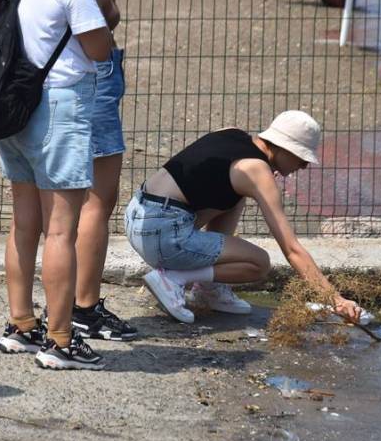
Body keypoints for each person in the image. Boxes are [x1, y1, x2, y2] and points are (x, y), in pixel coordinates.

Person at [0, 0, 113, 370]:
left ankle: (22, 325)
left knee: (24, 223)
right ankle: (60, 340)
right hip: (59, 106)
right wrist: (105, 11)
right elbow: (99, 47)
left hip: (15, 104)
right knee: (60, 230)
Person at [124, 111, 363, 325]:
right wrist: (334, 299)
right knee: (258, 263)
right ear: (285, 148)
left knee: (235, 195)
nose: (303, 167)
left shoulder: (230, 134)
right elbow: (292, 249)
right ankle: (174, 279)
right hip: (164, 235)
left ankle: (209, 289)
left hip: (137, 217)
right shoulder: (257, 171)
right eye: (302, 159)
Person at [64, 0, 168, 341]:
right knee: (96, 203)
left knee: (71, 205)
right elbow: (103, 24)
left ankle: (70, 304)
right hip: (93, 83)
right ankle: (83, 307)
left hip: (78, 83)